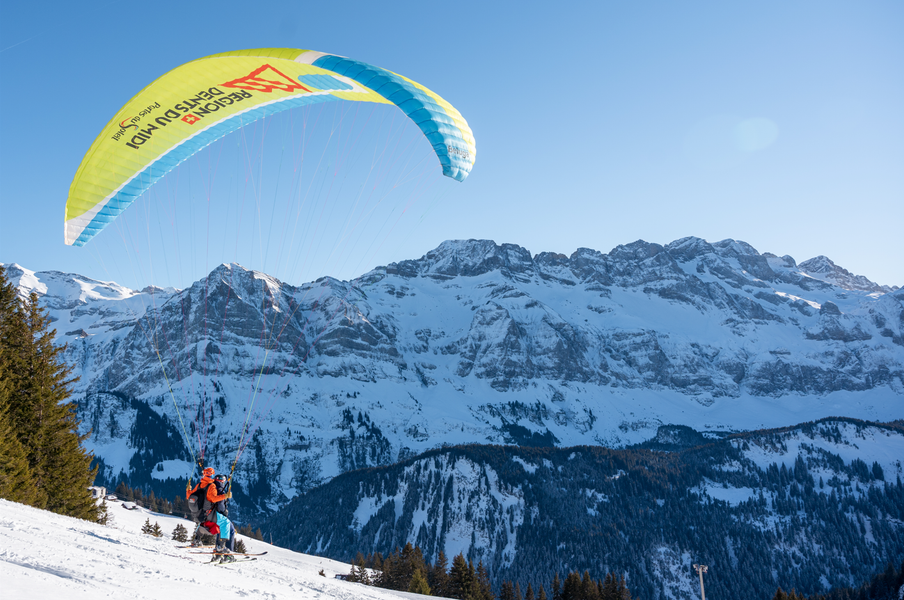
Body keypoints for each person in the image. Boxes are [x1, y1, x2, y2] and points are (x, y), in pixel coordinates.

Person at [185, 467, 232, 551]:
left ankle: (196, 539)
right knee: (225, 522)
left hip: (200, 513)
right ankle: (221, 546)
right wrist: (225, 496)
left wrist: (188, 490)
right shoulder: (212, 486)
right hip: (209, 513)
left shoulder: (199, 485)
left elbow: (189, 496)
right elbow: (213, 499)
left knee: (203, 522)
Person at [212, 473, 237, 561]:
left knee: (220, 530)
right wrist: (223, 512)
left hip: (210, 515)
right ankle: (227, 555)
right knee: (230, 530)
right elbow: (220, 503)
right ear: (222, 481)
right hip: (217, 514)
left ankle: (218, 554)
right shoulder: (220, 490)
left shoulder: (212, 487)